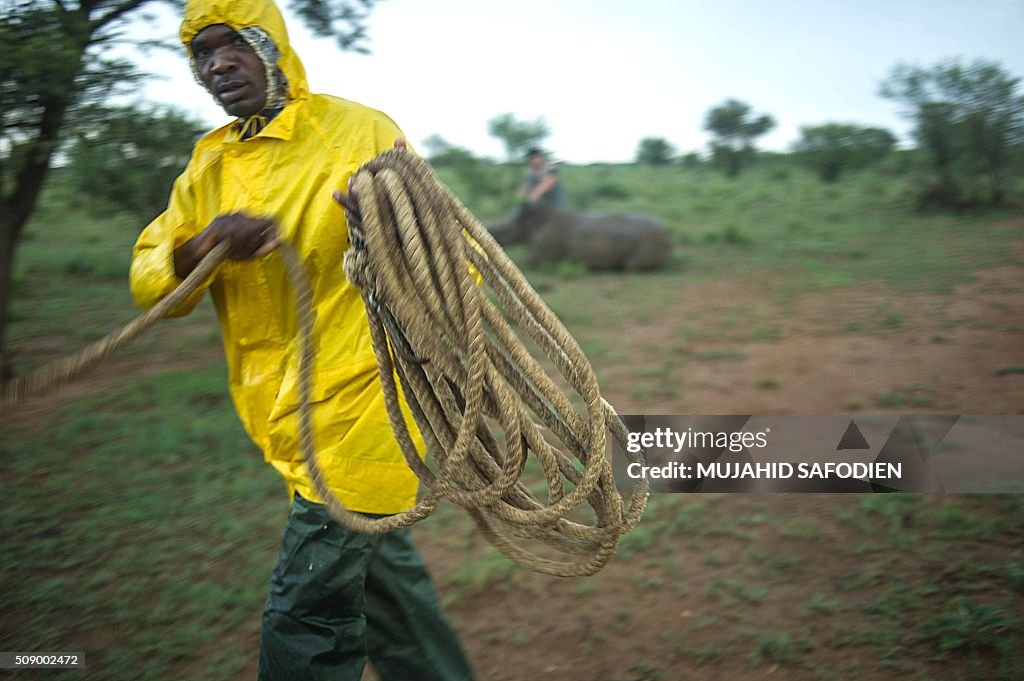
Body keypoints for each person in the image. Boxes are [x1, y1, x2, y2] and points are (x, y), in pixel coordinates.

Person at [128, 1, 475, 679]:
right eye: (203, 53)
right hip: (287, 425)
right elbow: (150, 280)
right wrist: (201, 244)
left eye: (235, 46)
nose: (219, 63)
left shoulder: (358, 131)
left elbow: (453, 261)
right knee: (388, 593)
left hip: (366, 413)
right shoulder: (209, 166)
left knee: (305, 617)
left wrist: (392, 239)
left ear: (274, 46)